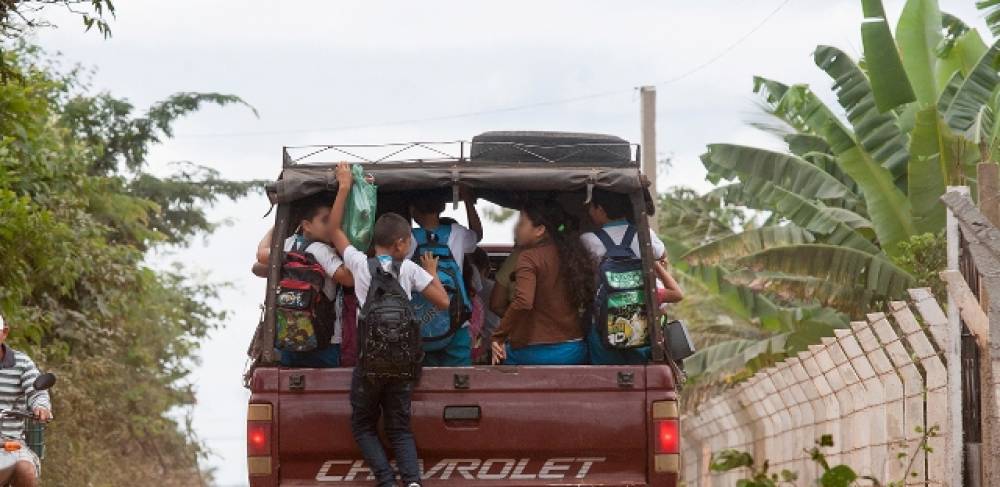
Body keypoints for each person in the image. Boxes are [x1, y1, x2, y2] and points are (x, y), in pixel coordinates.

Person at [330, 162, 448, 487]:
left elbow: (334, 231)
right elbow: (444, 302)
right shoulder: (410, 269)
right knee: (399, 427)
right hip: (402, 365)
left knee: (363, 425)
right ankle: (412, 482)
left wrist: (343, 187)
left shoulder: (358, 264)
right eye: (408, 240)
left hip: (369, 364)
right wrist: (433, 272)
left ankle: (386, 480)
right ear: (400, 245)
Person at [581, 189, 680, 365]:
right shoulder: (644, 234)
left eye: (591, 208)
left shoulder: (588, 240)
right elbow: (663, 256)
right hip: (641, 324)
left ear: (601, 210)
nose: (589, 212)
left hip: (604, 328)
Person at [491, 201, 596, 366]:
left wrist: (499, 335)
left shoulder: (528, 257)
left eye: (521, 223)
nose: (516, 228)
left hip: (531, 352)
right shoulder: (574, 255)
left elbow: (523, 301)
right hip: (574, 349)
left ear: (540, 230)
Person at [255, 194, 354, 368]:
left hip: (286, 338)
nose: (332, 226)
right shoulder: (322, 251)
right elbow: (348, 280)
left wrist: (279, 223)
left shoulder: (286, 245)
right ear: (306, 225)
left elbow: (261, 253)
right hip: (325, 343)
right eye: (326, 221)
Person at [408, 188, 483, 366]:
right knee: (459, 380)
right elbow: (478, 235)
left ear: (413, 210)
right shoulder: (457, 232)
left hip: (420, 324)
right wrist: (468, 202)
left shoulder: (407, 238)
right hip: (456, 322)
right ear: (442, 208)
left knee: (424, 382)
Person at [0, 314, 52, 487]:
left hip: (11, 441)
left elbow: (37, 391)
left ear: (4, 333)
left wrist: (41, 407)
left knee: (25, 470)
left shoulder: (21, 363)